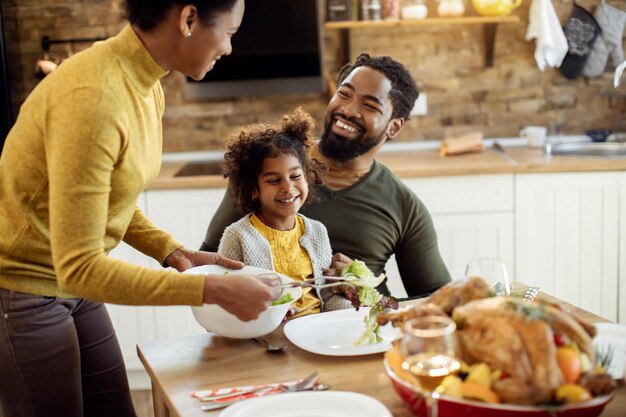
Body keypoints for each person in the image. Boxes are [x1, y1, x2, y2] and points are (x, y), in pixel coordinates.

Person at [0, 1, 278, 416]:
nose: (229, 48)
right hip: (25, 288)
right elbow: (79, 265)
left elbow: (110, 198)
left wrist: (171, 251)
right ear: (188, 20)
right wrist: (210, 290)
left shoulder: (145, 84)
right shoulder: (96, 98)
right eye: (230, 33)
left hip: (74, 286)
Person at [201, 53, 452, 298]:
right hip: (267, 330)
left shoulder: (403, 206)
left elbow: (438, 298)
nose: (348, 109)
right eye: (344, 94)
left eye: (370, 105)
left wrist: (364, 286)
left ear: (394, 126)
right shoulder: (267, 166)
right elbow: (209, 263)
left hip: (355, 333)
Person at [217, 108, 338, 318]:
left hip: (318, 330)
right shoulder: (237, 236)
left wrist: (357, 301)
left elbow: (328, 297)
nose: (287, 187)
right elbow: (224, 300)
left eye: (295, 176)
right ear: (253, 189)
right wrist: (264, 314)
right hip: (268, 335)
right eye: (273, 180)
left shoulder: (317, 232)